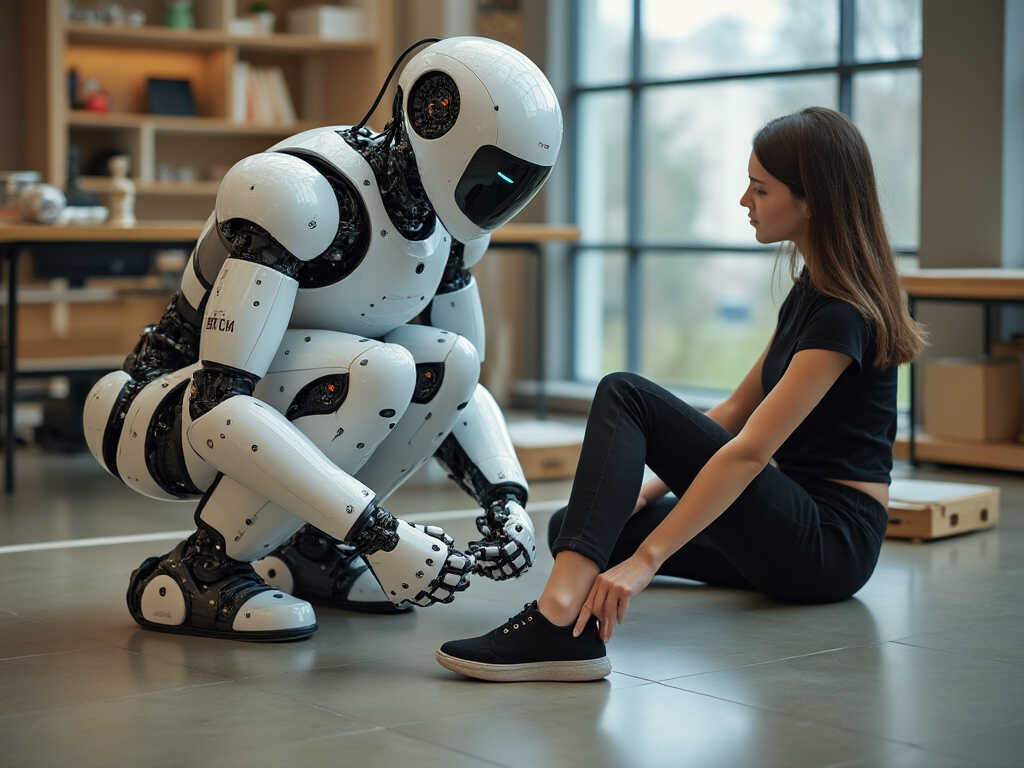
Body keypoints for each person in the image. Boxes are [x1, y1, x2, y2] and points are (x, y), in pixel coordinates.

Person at [81, 37, 559, 640]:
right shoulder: (301, 194)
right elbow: (216, 407)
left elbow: (460, 386)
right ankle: (200, 571)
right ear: (432, 115)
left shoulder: (450, 231)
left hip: (294, 387)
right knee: (380, 369)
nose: (498, 195)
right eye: (491, 173)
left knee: (448, 360)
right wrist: (381, 535)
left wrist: (504, 500)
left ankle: (312, 552)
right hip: (153, 414)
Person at [436, 106, 927, 682]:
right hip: (783, 526)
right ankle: (570, 605)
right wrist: (648, 489)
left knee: (626, 394)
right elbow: (733, 412)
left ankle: (557, 619)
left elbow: (748, 451)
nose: (746, 201)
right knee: (581, 525)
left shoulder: (843, 315)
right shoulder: (811, 292)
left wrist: (647, 562)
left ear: (810, 199)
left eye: (760, 188)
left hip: (829, 542)